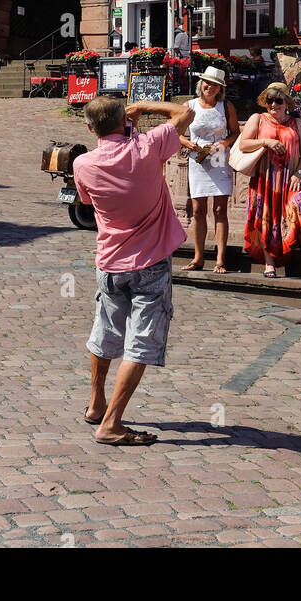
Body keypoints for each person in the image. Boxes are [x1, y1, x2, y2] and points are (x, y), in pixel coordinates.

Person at [72, 94, 195, 446]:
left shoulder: (83, 164)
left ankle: (96, 403)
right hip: (150, 262)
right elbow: (185, 112)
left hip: (110, 261)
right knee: (140, 343)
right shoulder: (147, 146)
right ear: (123, 120)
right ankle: (111, 424)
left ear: (90, 127)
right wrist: (146, 108)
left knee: (105, 331)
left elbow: (85, 202)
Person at [238, 82, 301, 277]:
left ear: (286, 102)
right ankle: (269, 263)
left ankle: (297, 246)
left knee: (300, 203)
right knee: (266, 218)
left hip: (291, 178)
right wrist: (265, 141)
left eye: (278, 100)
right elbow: (243, 145)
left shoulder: (298, 123)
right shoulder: (258, 119)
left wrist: (299, 173)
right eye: (270, 100)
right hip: (265, 179)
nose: (273, 105)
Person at [178, 65, 240, 275]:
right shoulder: (189, 105)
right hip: (198, 159)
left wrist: (223, 144)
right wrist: (188, 144)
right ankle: (198, 257)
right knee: (197, 210)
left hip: (219, 159)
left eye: (215, 84)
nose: (210, 87)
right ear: (201, 83)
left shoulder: (226, 106)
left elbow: (235, 133)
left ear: (220, 88)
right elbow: (176, 132)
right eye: (207, 83)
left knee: (220, 209)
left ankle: (220, 259)